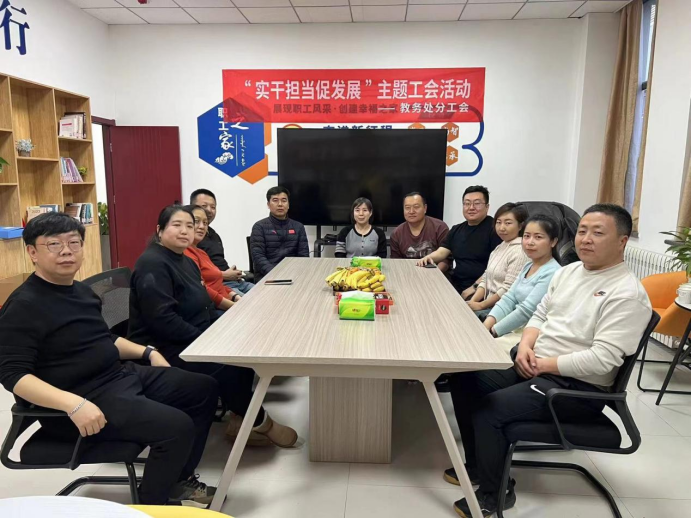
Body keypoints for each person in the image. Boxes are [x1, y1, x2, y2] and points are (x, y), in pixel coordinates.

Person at [445, 204, 652, 518]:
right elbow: (539, 314)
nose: (586, 239)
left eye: (598, 233)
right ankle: (477, 466)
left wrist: (542, 364)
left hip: (574, 387)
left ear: (622, 241)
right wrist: (526, 345)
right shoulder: (569, 272)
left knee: (489, 410)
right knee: (464, 377)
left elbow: (602, 360)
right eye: (582, 231)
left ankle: (495, 493)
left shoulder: (626, 293)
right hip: (536, 367)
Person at [0, 213, 219, 507]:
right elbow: (13, 375)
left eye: (74, 243)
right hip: (79, 400)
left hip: (116, 376)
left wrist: (148, 352)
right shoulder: (24, 306)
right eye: (54, 244)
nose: (66, 251)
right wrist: (73, 404)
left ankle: (176, 480)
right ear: (32, 252)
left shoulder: (81, 291)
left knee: (203, 388)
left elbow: (104, 338)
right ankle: (152, 505)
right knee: (176, 427)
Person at [128, 205, 298, 448]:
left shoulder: (185, 260)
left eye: (189, 226)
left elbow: (204, 301)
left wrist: (218, 332)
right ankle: (262, 422)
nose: (185, 231)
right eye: (177, 225)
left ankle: (241, 418)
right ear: (160, 230)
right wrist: (204, 340)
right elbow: (163, 321)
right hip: (165, 349)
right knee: (229, 367)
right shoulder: (152, 264)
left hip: (193, 338)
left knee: (241, 353)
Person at [483, 214, 562, 353]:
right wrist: (486, 326)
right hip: (513, 327)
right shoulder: (528, 266)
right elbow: (509, 298)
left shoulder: (553, 271)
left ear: (553, 242)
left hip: (530, 335)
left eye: (538, 237)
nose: (530, 242)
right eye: (526, 236)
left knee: (483, 349)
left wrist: (493, 331)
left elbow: (526, 310)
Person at [416, 186, 501, 295]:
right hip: (456, 283)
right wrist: (427, 258)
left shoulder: (495, 230)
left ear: (487, 207)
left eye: (477, 203)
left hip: (481, 289)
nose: (471, 207)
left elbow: (495, 269)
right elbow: (442, 252)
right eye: (467, 203)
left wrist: (474, 288)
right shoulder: (456, 229)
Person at [461, 203, 529, 319]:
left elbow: (508, 289)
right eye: (498, 222)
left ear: (520, 226)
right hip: (488, 305)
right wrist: (473, 302)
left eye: (508, 223)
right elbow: (486, 278)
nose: (502, 228)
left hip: (502, 310)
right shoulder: (500, 246)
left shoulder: (520, 250)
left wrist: (481, 305)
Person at [191, 189, 254, 295]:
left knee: (266, 294)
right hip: (220, 285)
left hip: (235, 281)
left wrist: (232, 273)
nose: (209, 210)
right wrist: (224, 275)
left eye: (213, 207)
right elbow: (196, 275)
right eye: (204, 206)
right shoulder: (191, 239)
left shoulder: (213, 234)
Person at [184, 205, 242, 313]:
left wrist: (237, 297)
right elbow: (204, 289)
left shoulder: (202, 253)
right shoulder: (186, 253)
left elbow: (218, 284)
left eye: (205, 223)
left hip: (227, 300)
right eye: (197, 221)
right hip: (215, 309)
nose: (202, 226)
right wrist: (234, 306)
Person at [251, 186, 309, 280]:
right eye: (275, 200)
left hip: (293, 276)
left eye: (284, 200)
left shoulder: (298, 227)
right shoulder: (259, 227)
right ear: (268, 205)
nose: (280, 204)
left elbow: (304, 256)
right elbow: (258, 258)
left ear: (288, 204)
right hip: (267, 277)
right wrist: (277, 274)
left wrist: (295, 274)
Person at [389, 192, 450, 272]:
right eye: (407, 208)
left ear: (425, 208)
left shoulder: (440, 227)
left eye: (416, 207)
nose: (411, 211)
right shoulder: (396, 233)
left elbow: (446, 260)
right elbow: (396, 262)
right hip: (408, 273)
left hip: (437, 273)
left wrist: (434, 275)